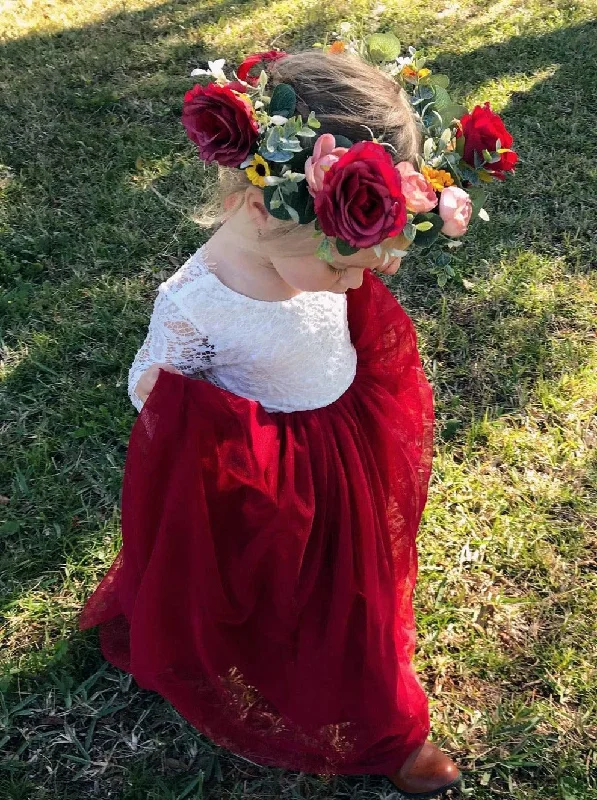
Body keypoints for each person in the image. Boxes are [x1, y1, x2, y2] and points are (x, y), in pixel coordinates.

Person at [80, 48, 462, 798]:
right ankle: (357, 709)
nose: (366, 275)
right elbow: (149, 384)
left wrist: (341, 270)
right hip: (268, 471)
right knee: (265, 588)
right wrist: (171, 395)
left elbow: (330, 299)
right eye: (346, 261)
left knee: (349, 587)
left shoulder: (303, 256)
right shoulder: (197, 300)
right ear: (261, 207)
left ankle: (379, 707)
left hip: (341, 441)